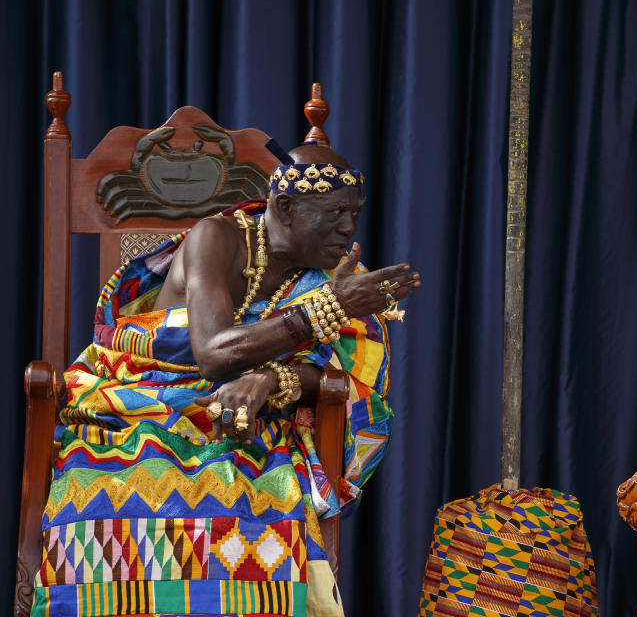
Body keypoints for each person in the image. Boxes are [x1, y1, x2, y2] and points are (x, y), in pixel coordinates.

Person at [31, 138, 419, 617]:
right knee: (107, 486)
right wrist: (330, 309)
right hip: (148, 402)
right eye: (335, 212)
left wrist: (272, 380)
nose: (349, 228)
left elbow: (352, 382)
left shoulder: (335, 272)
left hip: (255, 422)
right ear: (286, 208)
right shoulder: (216, 238)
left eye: (354, 213)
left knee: (265, 496)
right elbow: (212, 354)